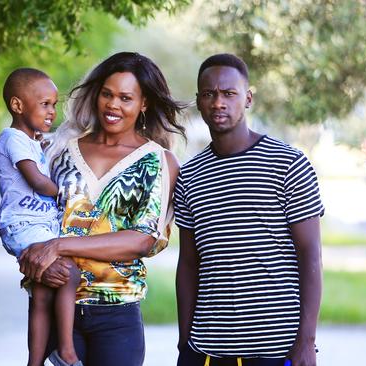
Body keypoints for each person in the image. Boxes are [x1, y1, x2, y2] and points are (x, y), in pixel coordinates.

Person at [19, 52, 186, 366]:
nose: (113, 105)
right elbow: (25, 211)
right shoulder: (57, 149)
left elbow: (143, 239)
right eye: (107, 94)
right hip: (54, 308)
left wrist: (59, 245)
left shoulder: (159, 161)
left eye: (126, 98)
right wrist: (27, 255)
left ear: (144, 103)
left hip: (117, 315)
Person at [174, 53, 324, 366]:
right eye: (209, 94)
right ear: (198, 101)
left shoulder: (288, 164)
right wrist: (184, 342)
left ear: (248, 98)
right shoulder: (189, 175)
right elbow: (188, 263)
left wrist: (306, 342)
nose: (218, 103)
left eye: (229, 94)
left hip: (276, 347)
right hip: (207, 348)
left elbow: (311, 255)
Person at [0, 67, 82, 366]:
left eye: (54, 105)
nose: (52, 112)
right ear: (18, 106)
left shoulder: (32, 140)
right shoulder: (13, 138)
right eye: (45, 104)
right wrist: (65, 194)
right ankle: (66, 350)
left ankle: (36, 361)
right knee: (69, 275)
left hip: (37, 224)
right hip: (24, 224)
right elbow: (36, 180)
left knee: (42, 295)